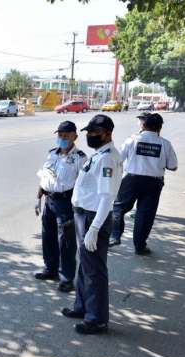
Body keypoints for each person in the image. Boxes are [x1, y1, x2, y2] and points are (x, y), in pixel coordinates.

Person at [61, 115, 122, 335]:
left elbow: (108, 197)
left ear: (107, 133)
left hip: (93, 217)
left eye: (93, 132)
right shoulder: (100, 155)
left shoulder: (107, 159)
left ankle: (96, 319)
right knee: (85, 265)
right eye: (88, 132)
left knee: (94, 269)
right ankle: (82, 306)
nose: (89, 136)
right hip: (84, 215)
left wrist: (95, 228)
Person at [110, 113, 177, 255]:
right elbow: (173, 166)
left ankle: (114, 235)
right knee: (145, 215)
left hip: (131, 180)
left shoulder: (132, 140)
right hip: (154, 183)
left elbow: (118, 159)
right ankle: (140, 247)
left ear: (144, 125)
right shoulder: (165, 144)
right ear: (160, 128)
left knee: (118, 208)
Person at [34, 121, 88, 293]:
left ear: (75, 137)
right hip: (49, 199)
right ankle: (50, 268)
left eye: (66, 135)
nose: (62, 138)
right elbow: (45, 175)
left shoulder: (80, 158)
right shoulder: (52, 154)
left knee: (66, 241)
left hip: (66, 201)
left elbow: (84, 183)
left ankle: (66, 278)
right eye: (60, 135)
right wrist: (39, 193)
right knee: (48, 235)